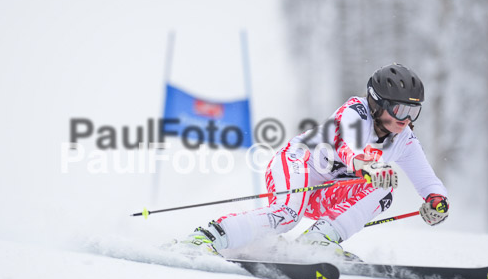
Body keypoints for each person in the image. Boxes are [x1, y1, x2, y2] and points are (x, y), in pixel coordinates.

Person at [172, 63, 449, 259]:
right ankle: (208, 237)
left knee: (384, 188)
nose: (406, 119)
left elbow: (427, 180)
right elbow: (346, 148)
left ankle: (318, 241)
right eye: (400, 109)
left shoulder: (405, 139)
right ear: (378, 104)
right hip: (297, 164)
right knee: (286, 215)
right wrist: (367, 165)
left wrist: (437, 201)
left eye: (414, 111)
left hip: (326, 192)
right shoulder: (355, 113)